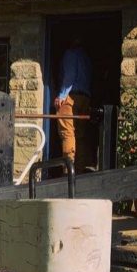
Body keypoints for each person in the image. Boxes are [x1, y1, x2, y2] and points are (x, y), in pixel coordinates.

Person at [54, 38, 92, 173]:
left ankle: (68, 171)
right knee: (80, 135)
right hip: (85, 97)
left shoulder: (70, 54)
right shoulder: (86, 57)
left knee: (67, 133)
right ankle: (79, 169)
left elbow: (69, 76)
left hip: (70, 97)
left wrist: (62, 95)